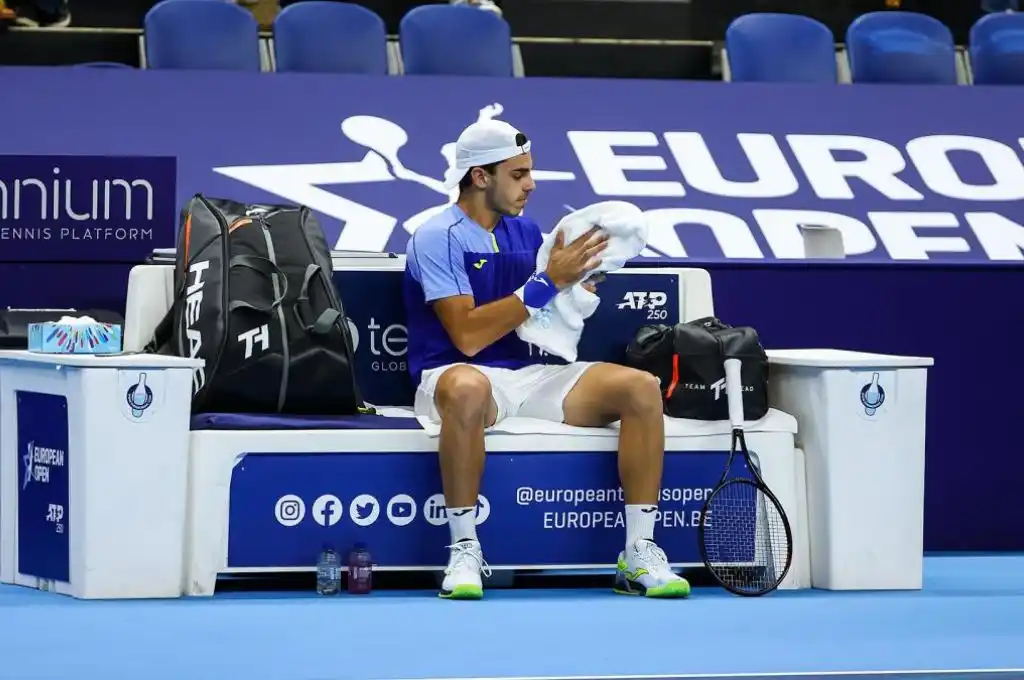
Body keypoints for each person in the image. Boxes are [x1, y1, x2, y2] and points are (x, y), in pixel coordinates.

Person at [403, 118, 691, 600]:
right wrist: (549, 283)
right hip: (456, 375)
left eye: (529, 172)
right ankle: (464, 549)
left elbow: (545, 315)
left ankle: (638, 551)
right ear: (480, 176)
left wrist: (577, 289)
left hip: (531, 374)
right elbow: (469, 336)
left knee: (640, 388)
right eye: (517, 175)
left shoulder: (529, 231)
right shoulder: (436, 237)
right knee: (470, 388)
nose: (530, 185)